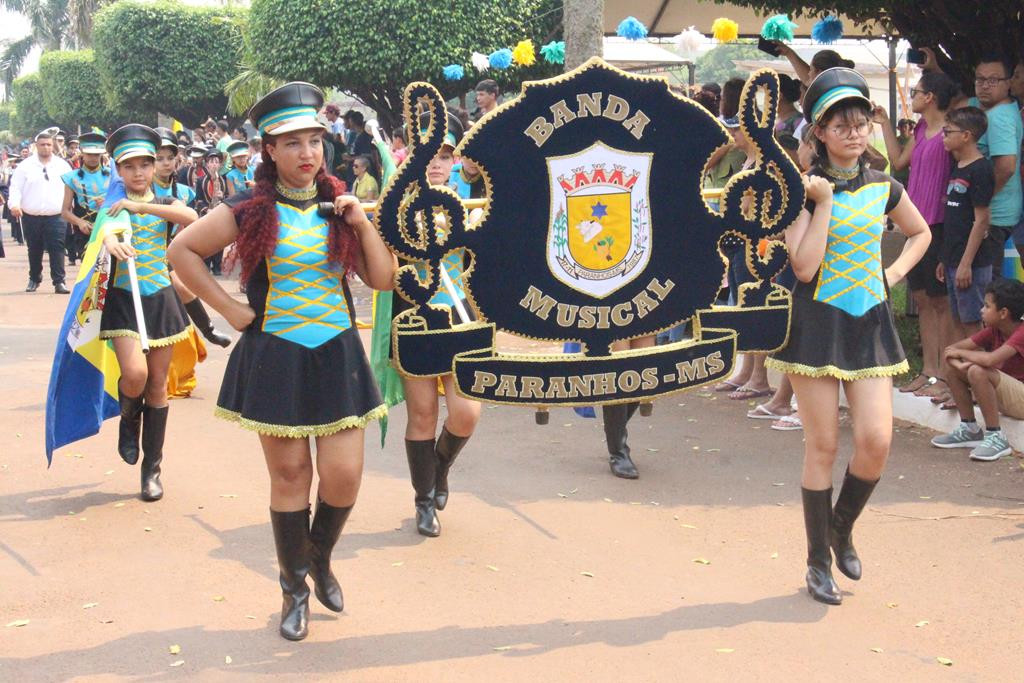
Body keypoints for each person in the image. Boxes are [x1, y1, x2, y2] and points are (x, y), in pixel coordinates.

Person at [168, 82, 396, 641]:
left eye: (314, 140)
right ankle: (294, 586)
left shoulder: (342, 207)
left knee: (343, 478)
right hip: (277, 355)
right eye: (291, 142)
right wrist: (231, 310)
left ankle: (318, 557)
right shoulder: (247, 208)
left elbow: (384, 279)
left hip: (336, 351)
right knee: (291, 475)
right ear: (268, 150)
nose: (306, 153)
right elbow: (182, 252)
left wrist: (362, 222)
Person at [766, 68, 930, 605]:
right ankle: (817, 563)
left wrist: (895, 274)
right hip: (815, 326)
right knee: (824, 444)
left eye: (861, 124)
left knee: (877, 442)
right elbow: (806, 268)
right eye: (841, 125)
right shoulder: (797, 194)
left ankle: (841, 527)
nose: (855, 134)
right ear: (818, 133)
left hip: (870, 323)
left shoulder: (885, 187)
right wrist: (826, 201)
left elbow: (920, 231)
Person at [98, 124, 198, 501]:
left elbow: (190, 218)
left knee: (158, 385)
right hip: (124, 299)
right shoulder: (110, 206)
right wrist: (109, 239)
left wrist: (138, 206)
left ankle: (151, 470)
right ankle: (128, 420)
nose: (139, 172)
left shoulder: (170, 202)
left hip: (160, 297)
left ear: (156, 165)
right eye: (130, 166)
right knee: (136, 375)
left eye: (146, 164)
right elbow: (102, 235)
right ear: (118, 170)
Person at [395, 111, 481, 536]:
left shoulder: (473, 206)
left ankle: (439, 469)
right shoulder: (396, 207)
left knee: (467, 413)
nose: (437, 161)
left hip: (463, 318)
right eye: (428, 153)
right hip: (416, 320)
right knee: (424, 414)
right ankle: (423, 500)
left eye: (445, 154)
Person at [874, 71, 959, 403]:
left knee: (941, 302)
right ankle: (929, 369)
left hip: (938, 223)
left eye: (917, 91)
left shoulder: (952, 130)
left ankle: (946, 374)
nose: (913, 95)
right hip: (915, 223)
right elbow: (897, 161)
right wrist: (882, 122)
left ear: (932, 97)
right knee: (923, 300)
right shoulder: (922, 128)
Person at [153, 126, 231, 349]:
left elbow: (192, 222)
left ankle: (207, 329)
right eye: (159, 158)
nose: (166, 163)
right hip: (140, 250)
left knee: (186, 285)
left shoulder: (184, 192)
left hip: (169, 249)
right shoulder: (141, 188)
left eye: (170, 157)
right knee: (178, 285)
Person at [932, 279, 1024, 461]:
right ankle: (969, 428)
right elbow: (950, 352)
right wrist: (959, 364)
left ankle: (995, 436)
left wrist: (961, 357)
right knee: (955, 370)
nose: (981, 310)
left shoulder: (1021, 333)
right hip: (1008, 397)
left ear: (1004, 313)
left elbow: (990, 359)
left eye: (987, 306)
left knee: (977, 371)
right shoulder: (994, 330)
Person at [967, 55, 1023, 279]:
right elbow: (963, 101)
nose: (985, 86)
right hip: (996, 212)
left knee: (986, 284)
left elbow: (1006, 167)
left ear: (1008, 83)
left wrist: (982, 200)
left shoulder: (999, 117)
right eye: (980, 79)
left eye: (993, 80)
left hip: (993, 215)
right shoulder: (992, 109)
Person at [8, 128, 73, 293]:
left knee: (57, 248)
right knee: (34, 248)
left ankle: (59, 281)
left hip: (56, 215)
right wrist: (14, 205)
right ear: (36, 146)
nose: (46, 148)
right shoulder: (25, 166)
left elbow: (72, 187)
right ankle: (34, 278)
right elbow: (15, 188)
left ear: (53, 146)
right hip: (31, 215)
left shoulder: (62, 165)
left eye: (49, 145)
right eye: (43, 144)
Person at [60, 132, 110, 267]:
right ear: (82, 153)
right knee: (89, 271)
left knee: (109, 272)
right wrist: (79, 222)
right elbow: (65, 211)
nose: (93, 158)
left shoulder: (113, 176)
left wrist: (107, 204)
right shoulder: (71, 178)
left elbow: (123, 204)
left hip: (109, 229)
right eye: (89, 154)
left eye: (96, 155)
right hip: (84, 232)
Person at [194, 148, 229, 275]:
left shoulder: (224, 180)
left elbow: (229, 198)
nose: (214, 164)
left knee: (219, 241)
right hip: (206, 214)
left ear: (220, 164)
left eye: (216, 161)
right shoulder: (200, 180)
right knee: (206, 241)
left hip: (219, 214)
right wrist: (206, 209)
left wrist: (222, 197)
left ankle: (218, 266)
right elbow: (198, 200)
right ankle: (206, 265)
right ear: (207, 163)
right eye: (211, 161)